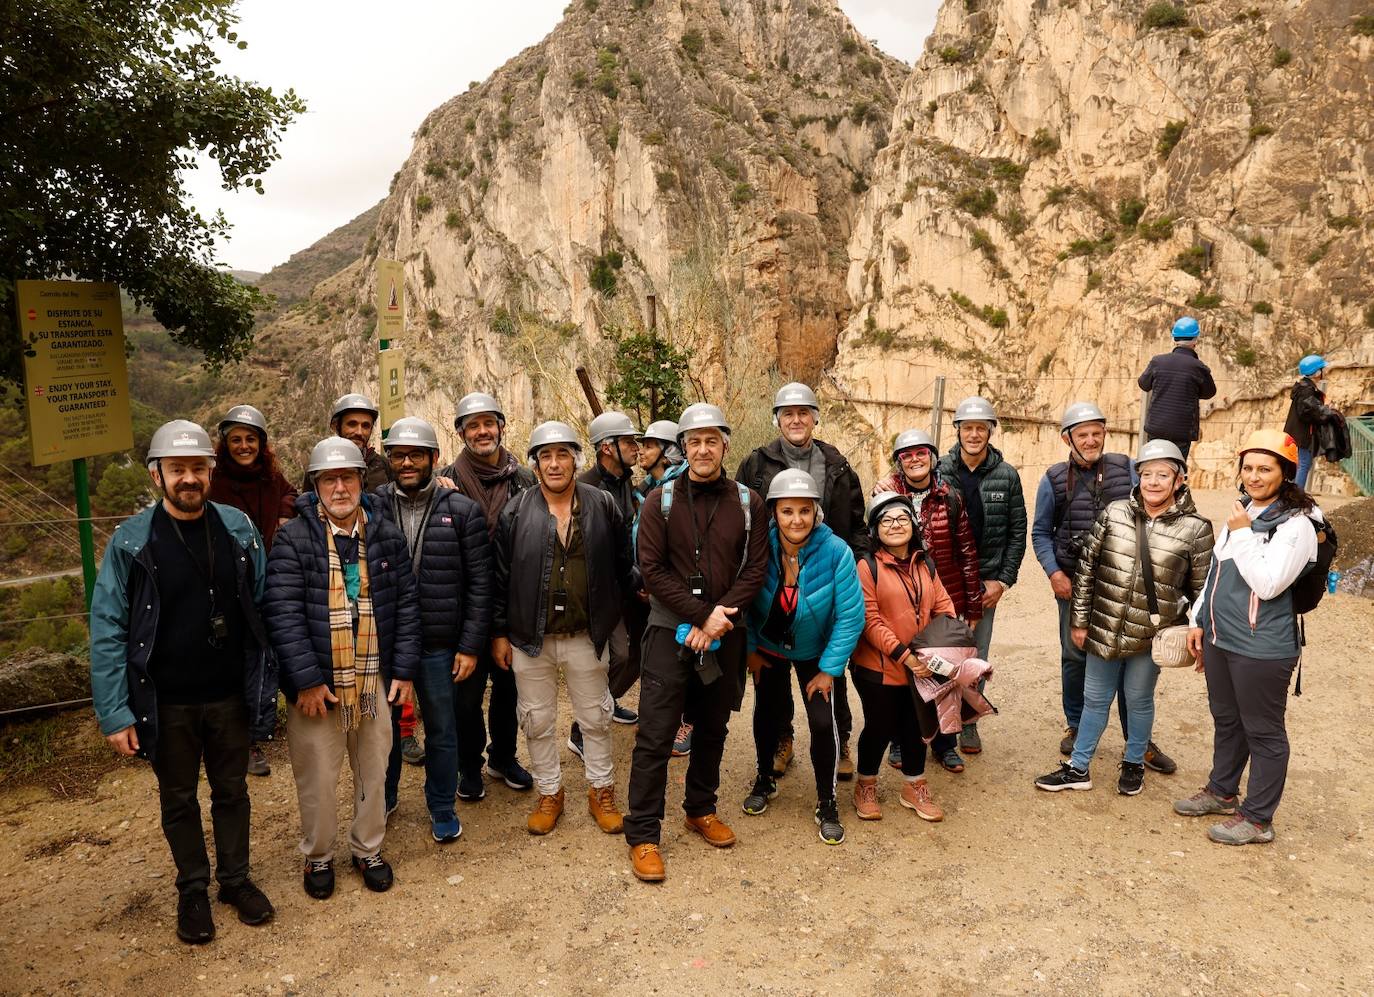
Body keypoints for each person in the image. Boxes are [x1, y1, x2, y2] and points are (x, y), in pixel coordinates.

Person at [90, 420, 277, 945]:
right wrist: (115, 711)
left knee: (232, 791)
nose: (189, 479)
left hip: (229, 696)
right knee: (178, 798)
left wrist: (269, 685)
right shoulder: (131, 542)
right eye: (178, 470)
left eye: (197, 468)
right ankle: (192, 888)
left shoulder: (238, 531)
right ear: (158, 476)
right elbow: (107, 627)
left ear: (211, 472)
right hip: (164, 701)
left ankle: (235, 881)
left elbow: (262, 608)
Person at [264, 436, 420, 899]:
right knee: (317, 772)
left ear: (360, 480)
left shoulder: (384, 533)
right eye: (329, 479)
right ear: (316, 485)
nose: (339, 488)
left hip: (373, 672)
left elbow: (406, 603)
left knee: (374, 766)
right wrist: (306, 681)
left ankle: (368, 847)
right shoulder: (294, 538)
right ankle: (319, 856)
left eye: (347, 477)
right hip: (320, 680)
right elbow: (282, 612)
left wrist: (405, 671)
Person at [625, 403, 768, 882]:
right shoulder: (659, 502)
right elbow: (653, 569)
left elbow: (754, 569)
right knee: (656, 733)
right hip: (671, 629)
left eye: (711, 440)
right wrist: (701, 614)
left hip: (726, 630)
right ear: (682, 448)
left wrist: (719, 617)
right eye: (694, 441)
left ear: (726, 445)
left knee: (712, 726)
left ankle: (699, 807)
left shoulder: (749, 502)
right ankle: (644, 833)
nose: (703, 449)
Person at [1035, 440, 1213, 795]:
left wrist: (1199, 630)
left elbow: (1203, 591)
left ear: (1179, 480)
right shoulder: (1115, 512)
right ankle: (1079, 767)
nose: (1153, 482)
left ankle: (1133, 764)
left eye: (1163, 475)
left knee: (1139, 698)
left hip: (1151, 633)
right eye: (1147, 474)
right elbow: (1086, 570)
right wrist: (1080, 621)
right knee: (1095, 699)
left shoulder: (1196, 529)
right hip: (1105, 623)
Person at [1176, 430, 1322, 845]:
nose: (1254, 476)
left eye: (1265, 468)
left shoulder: (1298, 526)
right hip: (1222, 638)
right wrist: (1198, 619)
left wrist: (1241, 532)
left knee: (1264, 731)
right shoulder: (1245, 511)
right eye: (1248, 467)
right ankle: (1222, 792)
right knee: (1226, 719)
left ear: (1286, 472)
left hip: (1262, 647)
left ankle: (1258, 819)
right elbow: (1215, 573)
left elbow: (1269, 583)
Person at [491, 421, 634, 836]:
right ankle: (550, 791)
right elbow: (500, 578)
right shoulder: (515, 512)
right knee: (535, 719)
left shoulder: (604, 505)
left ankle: (601, 789)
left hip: (586, 634)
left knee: (596, 716)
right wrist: (499, 633)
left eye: (563, 454)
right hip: (529, 637)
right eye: (546, 456)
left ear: (576, 458)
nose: (554, 464)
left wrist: (619, 620)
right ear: (535, 464)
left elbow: (624, 569)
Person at [1031, 402, 1177, 774]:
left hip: (1123, 583)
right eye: (1083, 434)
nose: (1092, 439)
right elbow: (1040, 532)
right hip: (1072, 581)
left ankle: (1137, 741)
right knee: (1075, 654)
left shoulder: (1126, 468)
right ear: (1068, 438)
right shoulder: (1053, 478)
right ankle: (1077, 724)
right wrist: (1053, 572)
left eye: (1097, 432)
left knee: (1132, 656)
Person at [735, 383, 867, 781]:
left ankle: (839, 740)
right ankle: (782, 740)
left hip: (826, 574)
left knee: (831, 675)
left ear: (815, 417)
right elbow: (740, 517)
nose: (796, 419)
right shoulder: (756, 464)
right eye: (787, 413)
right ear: (777, 419)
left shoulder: (837, 464)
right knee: (773, 684)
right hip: (775, 573)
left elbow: (856, 523)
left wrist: (855, 566)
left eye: (803, 412)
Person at [373, 418, 492, 843]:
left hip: (440, 645)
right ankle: (382, 799)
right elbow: (323, 500)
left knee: (443, 730)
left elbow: (480, 583)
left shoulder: (461, 510)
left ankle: (441, 804)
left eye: (416, 454)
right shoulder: (373, 507)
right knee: (381, 731)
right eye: (398, 455)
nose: (406, 462)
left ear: (434, 459)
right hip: (385, 644)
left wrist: (470, 645)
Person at [741, 470, 864, 845]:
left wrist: (829, 670)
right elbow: (740, 600)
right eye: (787, 511)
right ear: (775, 513)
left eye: (804, 511)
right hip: (769, 646)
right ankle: (765, 778)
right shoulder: (758, 548)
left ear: (816, 513)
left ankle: (827, 802)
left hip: (816, 652)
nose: (796, 520)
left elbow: (850, 616)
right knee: (768, 713)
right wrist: (749, 650)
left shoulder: (836, 552)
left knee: (823, 724)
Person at [436, 392, 535, 799]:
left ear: (501, 427)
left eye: (488, 423)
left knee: (510, 687)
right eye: (473, 425)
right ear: (461, 433)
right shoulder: (446, 481)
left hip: (514, 603)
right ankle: (469, 765)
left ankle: (503, 757)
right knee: (466, 695)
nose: (482, 431)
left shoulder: (524, 478)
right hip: (466, 607)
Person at [874, 428, 982, 773]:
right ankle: (899, 741)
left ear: (933, 458)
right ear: (899, 462)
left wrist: (971, 606)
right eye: (907, 455)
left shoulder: (949, 496)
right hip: (900, 595)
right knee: (904, 675)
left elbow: (966, 551)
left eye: (921, 453)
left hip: (940, 596)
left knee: (942, 674)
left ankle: (945, 743)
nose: (915, 459)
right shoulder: (886, 495)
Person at [851, 492, 956, 823]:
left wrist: (938, 649)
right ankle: (865, 784)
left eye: (901, 518)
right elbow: (869, 620)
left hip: (922, 664)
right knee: (880, 726)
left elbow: (944, 606)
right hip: (878, 666)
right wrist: (906, 656)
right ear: (875, 529)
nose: (895, 525)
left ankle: (914, 785)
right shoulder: (867, 567)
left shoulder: (926, 563)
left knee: (917, 725)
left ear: (913, 524)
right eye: (886, 520)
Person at [209, 403, 298, 777]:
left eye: (250, 440)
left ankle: (269, 725)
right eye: (236, 440)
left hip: (271, 579)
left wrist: (284, 508)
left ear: (261, 445)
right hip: (232, 585)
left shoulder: (270, 478)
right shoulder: (215, 483)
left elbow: (295, 494)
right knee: (240, 660)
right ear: (225, 444)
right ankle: (244, 741)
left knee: (273, 654)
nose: (243, 446)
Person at [935, 396, 1027, 755]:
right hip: (943, 578)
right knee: (937, 651)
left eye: (981, 428)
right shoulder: (939, 469)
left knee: (976, 652)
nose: (974, 434)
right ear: (957, 430)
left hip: (984, 580)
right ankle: (935, 721)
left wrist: (1002, 581)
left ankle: (969, 721)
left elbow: (1017, 532)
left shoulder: (1007, 475)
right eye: (967, 427)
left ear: (990, 431)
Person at [573, 411, 643, 757]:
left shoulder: (624, 481)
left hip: (626, 585)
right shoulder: (585, 488)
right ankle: (581, 729)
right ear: (606, 448)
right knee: (612, 656)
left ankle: (606, 702)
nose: (636, 448)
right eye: (629, 442)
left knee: (636, 655)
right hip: (599, 593)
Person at [635, 419, 694, 756]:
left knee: (684, 657)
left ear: (669, 450)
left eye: (650, 444)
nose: (641, 449)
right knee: (656, 659)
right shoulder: (645, 488)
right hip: (648, 585)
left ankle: (687, 721)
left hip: (676, 590)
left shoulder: (681, 488)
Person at [1137, 316, 1217, 463]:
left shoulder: (1158, 361)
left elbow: (1143, 384)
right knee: (1176, 469)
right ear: (1195, 339)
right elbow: (1209, 392)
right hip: (1182, 431)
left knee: (1154, 465)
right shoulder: (1198, 367)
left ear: (1174, 338)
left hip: (1156, 427)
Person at [1284, 355, 1337, 489]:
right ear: (1317, 372)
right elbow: (1307, 413)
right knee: (1304, 464)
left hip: (1294, 432)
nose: (1323, 371)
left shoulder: (1302, 387)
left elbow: (1307, 409)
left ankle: (1291, 494)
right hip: (1303, 434)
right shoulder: (1308, 390)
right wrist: (1325, 411)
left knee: (1297, 463)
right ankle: (1296, 497)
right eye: (1321, 369)